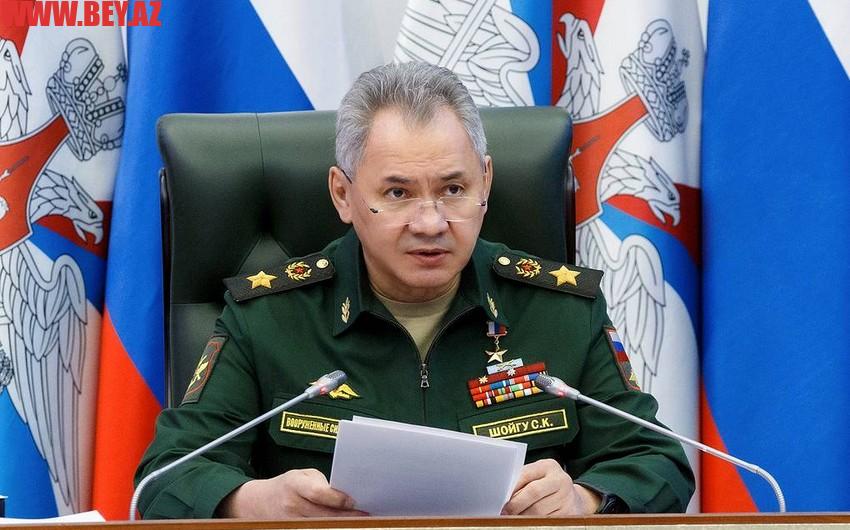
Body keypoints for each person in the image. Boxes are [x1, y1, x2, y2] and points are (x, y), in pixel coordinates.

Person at [135, 62, 694, 519]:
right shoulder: (269, 315)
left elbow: (657, 461)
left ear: (486, 182)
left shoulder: (560, 309)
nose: (431, 223)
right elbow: (164, 479)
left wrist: (584, 499)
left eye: (453, 189)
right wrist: (251, 502)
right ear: (343, 195)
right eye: (397, 194)